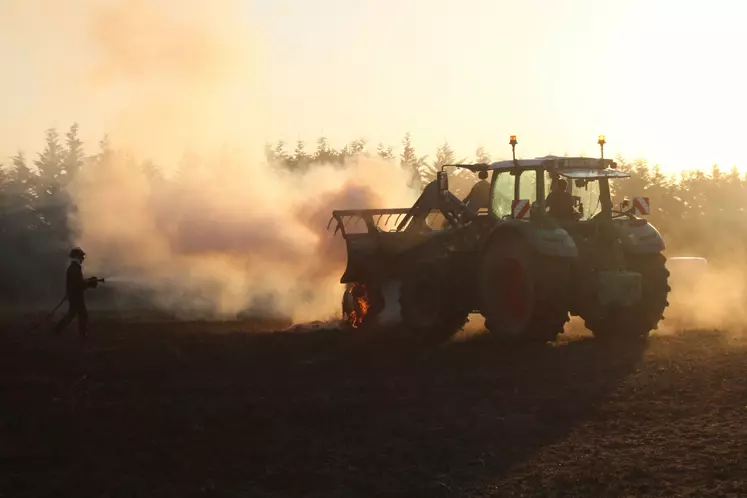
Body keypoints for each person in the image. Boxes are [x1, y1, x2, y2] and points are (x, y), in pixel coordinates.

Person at [53, 247, 99, 338]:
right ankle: (82, 334)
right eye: (81, 257)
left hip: (74, 295)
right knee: (83, 314)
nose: (82, 259)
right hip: (76, 295)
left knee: (72, 314)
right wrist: (89, 283)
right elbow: (79, 283)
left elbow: (79, 282)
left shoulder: (74, 267)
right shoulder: (75, 268)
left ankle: (57, 329)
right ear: (77, 257)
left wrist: (88, 281)